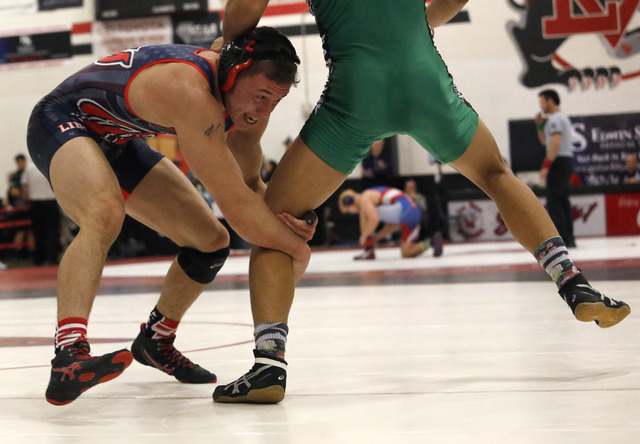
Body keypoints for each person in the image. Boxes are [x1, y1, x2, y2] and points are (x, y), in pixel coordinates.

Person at [213, 0, 631, 404]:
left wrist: (227, 50)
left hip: (357, 90)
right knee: (495, 174)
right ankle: (572, 282)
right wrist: (415, 29)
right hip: (421, 73)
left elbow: (246, 7)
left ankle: (269, 364)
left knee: (274, 226)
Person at [27, 27, 315, 406]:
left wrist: (290, 221)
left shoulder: (243, 108)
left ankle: (156, 340)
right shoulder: (192, 93)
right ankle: (69, 355)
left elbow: (248, 187)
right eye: (261, 96)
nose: (264, 112)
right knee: (104, 213)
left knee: (210, 241)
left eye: (276, 101)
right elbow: (238, 208)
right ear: (231, 75)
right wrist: (298, 249)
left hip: (117, 139)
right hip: (61, 120)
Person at [338, 187, 443, 260]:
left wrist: (364, 236)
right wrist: (376, 237)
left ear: (349, 201)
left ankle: (368, 249)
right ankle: (430, 242)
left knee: (364, 211)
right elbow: (393, 225)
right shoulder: (381, 203)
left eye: (348, 210)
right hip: (412, 212)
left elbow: (374, 219)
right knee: (406, 253)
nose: (351, 213)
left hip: (404, 209)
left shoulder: (365, 197)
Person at [535, 89, 576, 248]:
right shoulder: (558, 119)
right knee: (562, 200)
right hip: (565, 161)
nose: (540, 106)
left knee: (554, 201)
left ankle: (563, 239)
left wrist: (546, 165)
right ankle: (569, 238)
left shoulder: (555, 120)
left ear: (550, 100)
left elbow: (554, 144)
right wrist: (539, 125)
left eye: (542, 102)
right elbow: (546, 142)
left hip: (558, 162)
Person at [21, 163, 60, 265]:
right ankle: (52, 258)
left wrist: (26, 199)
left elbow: (24, 188)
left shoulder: (28, 168)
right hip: (51, 201)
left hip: (35, 203)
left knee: (38, 232)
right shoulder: (51, 165)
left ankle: (38, 259)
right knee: (52, 231)